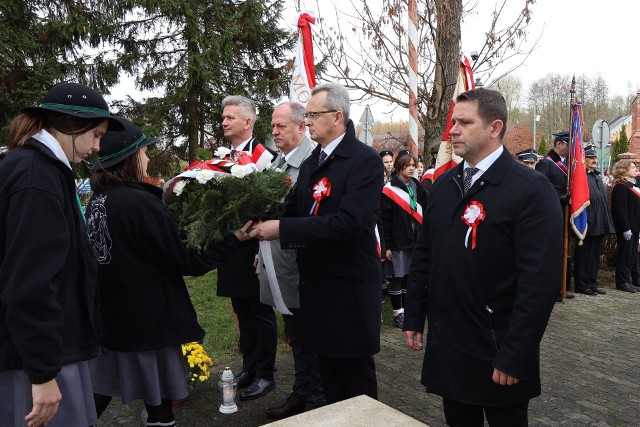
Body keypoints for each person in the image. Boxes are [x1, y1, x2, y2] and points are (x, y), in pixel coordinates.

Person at [404, 88, 562, 427]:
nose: (453, 130)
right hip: (450, 344)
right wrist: (415, 314)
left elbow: (540, 283)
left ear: (494, 127)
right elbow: (425, 256)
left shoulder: (530, 189)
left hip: (497, 348)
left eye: (464, 122)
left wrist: (516, 354)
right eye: (453, 122)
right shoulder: (444, 185)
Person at [85, 117, 252, 426]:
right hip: (148, 319)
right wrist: (232, 240)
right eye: (145, 152)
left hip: (113, 313)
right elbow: (186, 261)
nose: (148, 157)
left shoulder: (100, 197)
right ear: (131, 157)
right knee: (154, 395)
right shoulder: (139, 202)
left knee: (103, 388)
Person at [250, 82, 384, 404]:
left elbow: (348, 224)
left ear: (337, 116)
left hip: (348, 290)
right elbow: (294, 209)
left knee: (356, 385)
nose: (306, 120)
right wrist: (250, 214)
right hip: (317, 288)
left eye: (313, 114)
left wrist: (282, 229)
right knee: (329, 381)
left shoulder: (364, 161)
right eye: (307, 114)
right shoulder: (313, 162)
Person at [0, 82, 123, 427]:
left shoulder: (38, 169)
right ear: (70, 124)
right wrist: (42, 375)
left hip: (44, 352)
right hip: (37, 362)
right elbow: (29, 283)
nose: (97, 147)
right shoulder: (36, 178)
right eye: (95, 135)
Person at [256, 102, 325, 419]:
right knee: (295, 334)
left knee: (309, 335)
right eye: (272, 126)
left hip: (302, 268)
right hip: (278, 263)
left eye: (281, 125)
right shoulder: (278, 163)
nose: (274, 131)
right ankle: (303, 392)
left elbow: (310, 219)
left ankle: (315, 400)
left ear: (302, 126)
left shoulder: (312, 164)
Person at [218, 95, 278, 400]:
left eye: (230, 117)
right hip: (231, 245)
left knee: (260, 311)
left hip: (255, 245)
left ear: (247, 122)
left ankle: (266, 373)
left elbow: (272, 204)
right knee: (241, 309)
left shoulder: (264, 157)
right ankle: (249, 366)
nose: (224, 122)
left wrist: (260, 244)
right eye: (223, 117)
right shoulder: (222, 156)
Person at [380, 150, 428, 329]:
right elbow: (384, 220)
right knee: (397, 277)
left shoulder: (418, 186)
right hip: (398, 241)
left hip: (416, 240)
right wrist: (387, 246)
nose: (411, 169)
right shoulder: (388, 189)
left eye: (413, 166)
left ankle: (408, 310)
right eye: (407, 166)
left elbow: (426, 209)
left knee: (410, 277)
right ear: (399, 167)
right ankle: (397, 313)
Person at [536, 130, 575, 300]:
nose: (571, 148)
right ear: (559, 144)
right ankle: (551, 288)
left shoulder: (564, 164)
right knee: (552, 253)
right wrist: (562, 198)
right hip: (550, 215)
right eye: (568, 144)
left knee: (560, 252)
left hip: (561, 213)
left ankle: (560, 287)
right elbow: (541, 191)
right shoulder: (546, 164)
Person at [573, 145, 615, 295]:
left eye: (595, 157)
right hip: (587, 224)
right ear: (584, 159)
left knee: (595, 257)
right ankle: (582, 284)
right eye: (591, 157)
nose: (594, 160)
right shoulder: (581, 177)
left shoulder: (596, 176)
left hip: (599, 223)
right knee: (584, 256)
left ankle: (592, 282)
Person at [610, 159, 640, 293]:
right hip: (627, 228)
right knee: (625, 255)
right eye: (632, 167)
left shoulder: (631, 185)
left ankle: (627, 280)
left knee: (631, 255)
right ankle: (622, 282)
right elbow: (620, 210)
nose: (636, 169)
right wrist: (626, 228)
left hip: (635, 227)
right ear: (624, 170)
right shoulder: (620, 187)